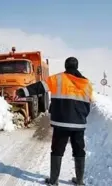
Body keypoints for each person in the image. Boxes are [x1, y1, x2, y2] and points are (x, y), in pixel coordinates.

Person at [15, 57, 93, 186]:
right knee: (79, 150)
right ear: (77, 66)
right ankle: (79, 181)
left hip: (61, 123)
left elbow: (39, 87)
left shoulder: (58, 79)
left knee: (57, 150)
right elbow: (88, 103)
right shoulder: (87, 83)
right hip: (79, 123)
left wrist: (21, 91)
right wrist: (82, 116)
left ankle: (54, 181)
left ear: (65, 66)